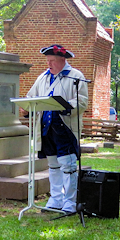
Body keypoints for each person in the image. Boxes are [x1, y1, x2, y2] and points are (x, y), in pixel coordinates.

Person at [26, 44, 88, 213]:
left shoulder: (76, 77)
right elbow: (31, 97)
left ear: (62, 60)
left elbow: (81, 102)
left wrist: (63, 106)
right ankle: (55, 199)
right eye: (48, 61)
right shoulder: (43, 77)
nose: (49, 64)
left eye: (52, 61)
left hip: (64, 129)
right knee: (53, 165)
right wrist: (26, 108)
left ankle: (70, 201)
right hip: (46, 129)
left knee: (67, 166)